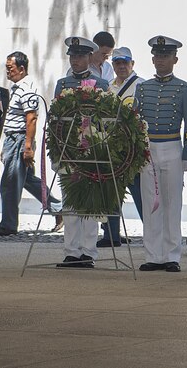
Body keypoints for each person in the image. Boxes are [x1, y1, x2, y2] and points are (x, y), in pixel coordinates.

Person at [135, 36, 187, 273]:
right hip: (148, 149)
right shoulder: (143, 88)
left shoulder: (184, 88)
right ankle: (153, 255)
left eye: (165, 56)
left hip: (172, 146)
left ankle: (172, 255)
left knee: (173, 203)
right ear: (152, 58)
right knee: (151, 203)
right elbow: (135, 120)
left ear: (175, 59)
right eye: (158, 55)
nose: (161, 60)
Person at [55, 37, 110, 268]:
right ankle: (71, 251)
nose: (75, 60)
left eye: (79, 56)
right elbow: (56, 117)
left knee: (90, 200)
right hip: (68, 148)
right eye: (72, 56)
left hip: (91, 147)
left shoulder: (101, 86)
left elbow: (106, 119)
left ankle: (88, 250)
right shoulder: (63, 84)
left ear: (89, 58)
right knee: (69, 201)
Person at [0, 52, 63, 236]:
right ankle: (58, 208)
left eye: (10, 68)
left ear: (21, 69)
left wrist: (27, 146)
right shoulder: (17, 87)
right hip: (14, 139)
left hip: (19, 139)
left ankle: (8, 225)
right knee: (27, 180)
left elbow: (31, 118)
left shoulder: (26, 88)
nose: (8, 72)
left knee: (9, 183)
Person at [97, 47, 145, 247]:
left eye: (125, 62)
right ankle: (111, 235)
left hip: (133, 146)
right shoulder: (108, 87)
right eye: (117, 63)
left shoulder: (141, 85)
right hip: (112, 145)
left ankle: (151, 232)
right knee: (111, 190)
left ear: (132, 64)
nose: (121, 66)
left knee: (140, 192)